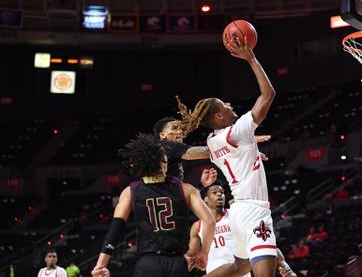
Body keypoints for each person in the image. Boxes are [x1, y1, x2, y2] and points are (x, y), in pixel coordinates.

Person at [177, 36, 277, 277]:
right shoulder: (238, 130)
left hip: (238, 212)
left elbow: (203, 153)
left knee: (239, 267)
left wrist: (250, 148)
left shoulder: (213, 139)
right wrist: (251, 59)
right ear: (219, 117)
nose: (230, 105)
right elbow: (268, 95)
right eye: (224, 105)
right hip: (254, 210)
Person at [91, 133, 215, 277]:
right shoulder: (186, 188)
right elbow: (209, 221)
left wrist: (101, 265)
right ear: (163, 162)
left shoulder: (131, 191)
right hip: (178, 262)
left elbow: (116, 229)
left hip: (148, 263)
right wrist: (204, 252)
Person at [187, 183, 296, 277]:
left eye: (222, 192)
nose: (220, 194)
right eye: (214, 193)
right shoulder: (197, 226)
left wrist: (283, 264)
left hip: (240, 272)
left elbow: (263, 242)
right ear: (205, 199)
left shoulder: (236, 216)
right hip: (215, 272)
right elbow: (191, 255)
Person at [154, 117, 270, 186]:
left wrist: (202, 186)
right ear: (162, 134)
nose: (180, 132)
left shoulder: (165, 150)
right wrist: (243, 150)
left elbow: (181, 193)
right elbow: (208, 151)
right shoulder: (168, 146)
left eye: (181, 128)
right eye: (174, 128)